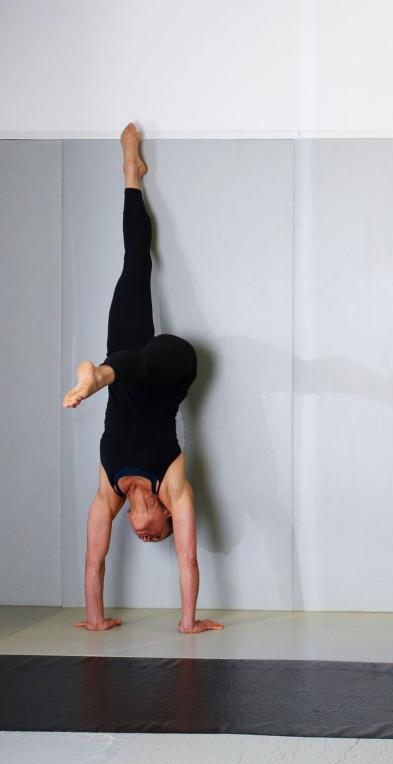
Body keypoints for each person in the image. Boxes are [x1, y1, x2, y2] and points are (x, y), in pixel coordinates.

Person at [62, 123, 221, 636]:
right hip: (174, 366)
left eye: (145, 539)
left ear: (132, 519)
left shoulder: (108, 489)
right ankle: (99, 375)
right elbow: (190, 561)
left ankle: (131, 175)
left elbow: (92, 559)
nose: (151, 540)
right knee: (141, 366)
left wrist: (93, 619)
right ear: (163, 516)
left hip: (128, 362)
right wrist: (188, 623)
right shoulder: (174, 489)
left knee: (134, 264)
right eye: (160, 537)